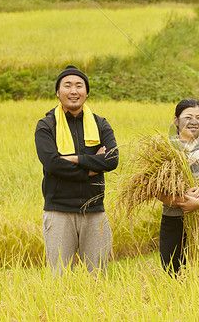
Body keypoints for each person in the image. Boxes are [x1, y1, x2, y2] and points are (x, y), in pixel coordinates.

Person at [35, 65, 118, 276]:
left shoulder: (100, 124)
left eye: (79, 86)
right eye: (68, 85)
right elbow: (53, 164)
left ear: (86, 92)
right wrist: (91, 168)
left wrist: (76, 159)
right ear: (58, 92)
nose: (74, 91)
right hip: (58, 211)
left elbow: (112, 159)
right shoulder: (46, 126)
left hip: (94, 211)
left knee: (98, 277)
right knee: (59, 278)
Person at [158, 99, 199, 275]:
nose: (194, 122)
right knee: (172, 276)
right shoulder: (164, 151)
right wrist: (181, 201)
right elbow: (156, 189)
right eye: (188, 117)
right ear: (176, 120)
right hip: (173, 221)